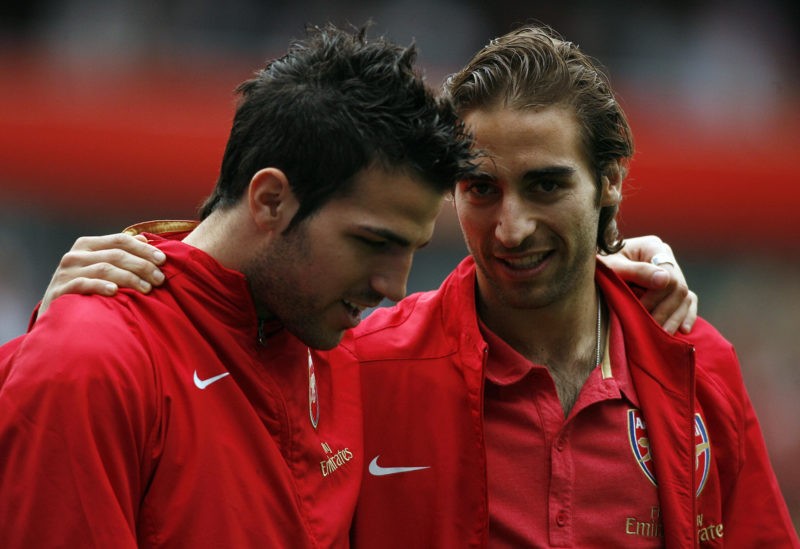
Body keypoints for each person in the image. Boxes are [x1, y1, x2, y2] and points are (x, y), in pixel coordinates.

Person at [0, 24, 478, 547]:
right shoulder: (93, 363)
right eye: (372, 242)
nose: (394, 286)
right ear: (270, 199)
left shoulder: (342, 352)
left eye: (413, 249)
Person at [347, 25, 798, 548]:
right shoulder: (366, 369)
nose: (511, 229)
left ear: (610, 182)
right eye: (482, 189)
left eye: (546, 185)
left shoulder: (702, 366)